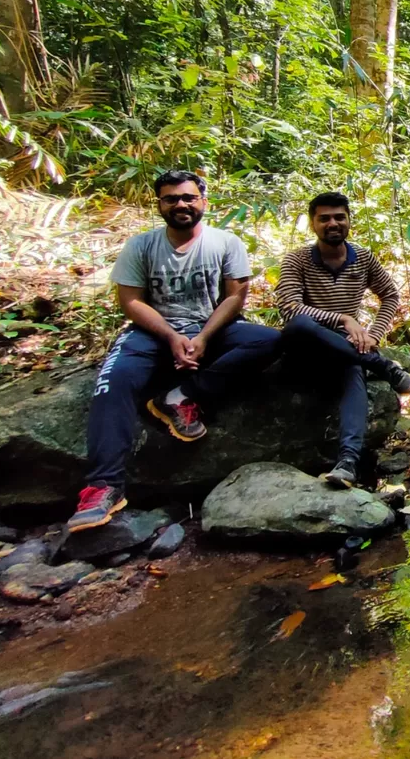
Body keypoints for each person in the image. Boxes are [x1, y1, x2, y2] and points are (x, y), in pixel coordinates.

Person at [68, 170, 283, 532]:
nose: (181, 204)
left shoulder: (225, 243)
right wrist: (170, 336)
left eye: (188, 197)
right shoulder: (141, 246)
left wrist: (202, 337)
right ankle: (104, 486)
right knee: (113, 382)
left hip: (214, 328)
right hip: (152, 334)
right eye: (171, 199)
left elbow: (235, 296)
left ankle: (181, 396)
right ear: (160, 204)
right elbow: (130, 301)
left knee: (272, 340)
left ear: (203, 201)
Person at [275, 192, 410, 488]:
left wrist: (374, 334)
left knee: (351, 370)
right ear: (313, 224)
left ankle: (348, 462)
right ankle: (380, 366)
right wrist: (343, 319)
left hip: (345, 349)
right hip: (307, 345)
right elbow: (289, 307)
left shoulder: (362, 258)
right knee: (301, 324)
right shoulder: (297, 260)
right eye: (324, 218)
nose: (333, 223)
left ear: (349, 220)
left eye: (339, 217)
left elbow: (390, 295)